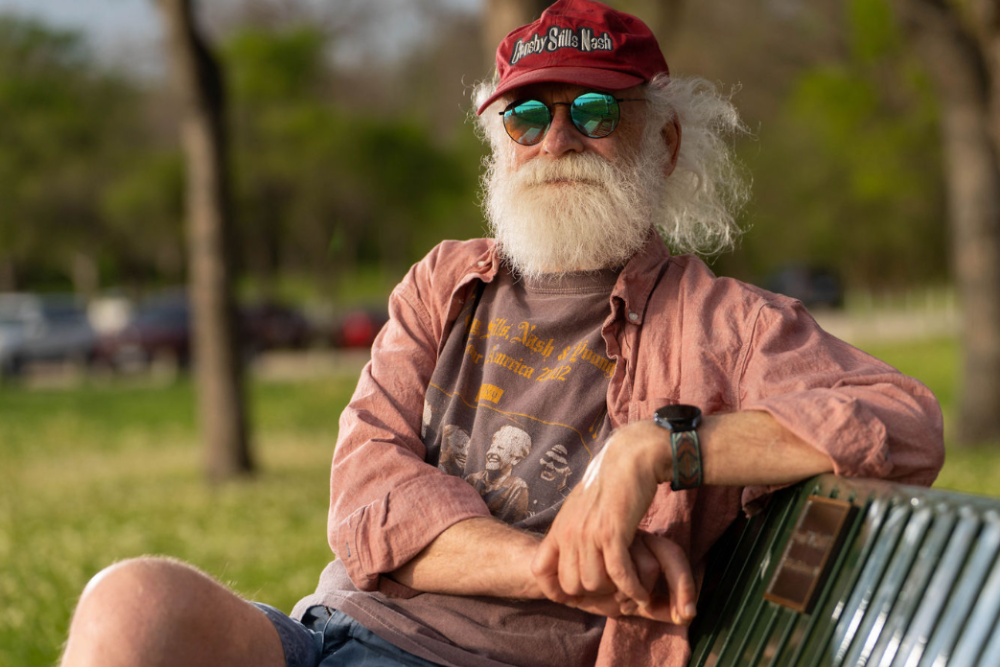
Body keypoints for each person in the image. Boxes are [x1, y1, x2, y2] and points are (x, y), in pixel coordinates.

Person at [60, 1, 944, 666]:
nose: (558, 138)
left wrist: (660, 446)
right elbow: (367, 503)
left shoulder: (727, 322)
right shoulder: (445, 283)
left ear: (665, 141)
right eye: (529, 116)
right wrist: (556, 565)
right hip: (329, 634)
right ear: (502, 143)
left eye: (595, 112)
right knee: (130, 605)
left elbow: (901, 419)